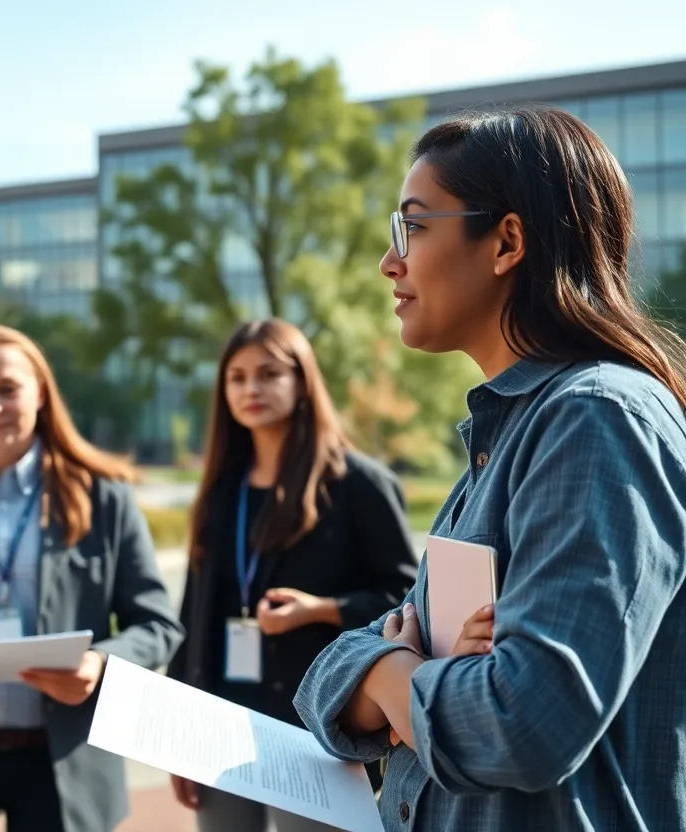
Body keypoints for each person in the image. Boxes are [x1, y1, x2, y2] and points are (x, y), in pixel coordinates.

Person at [294, 106, 686, 831]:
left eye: (412, 226)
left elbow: (523, 725)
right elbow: (323, 687)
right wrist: (405, 669)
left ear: (506, 241)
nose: (390, 261)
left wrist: (394, 672)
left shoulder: (598, 420)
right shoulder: (505, 435)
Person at [0, 324, 184, 832]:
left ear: (41, 393)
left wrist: (100, 664)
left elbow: (157, 624)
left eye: (8, 389)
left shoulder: (104, 498)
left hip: (64, 754)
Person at [166, 319, 418, 831]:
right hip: (222, 727)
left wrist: (322, 610)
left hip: (317, 727)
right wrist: (177, 732)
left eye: (268, 373)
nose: (250, 389)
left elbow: (408, 599)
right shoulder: (221, 492)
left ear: (302, 380)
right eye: (236, 378)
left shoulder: (359, 484)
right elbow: (193, 617)